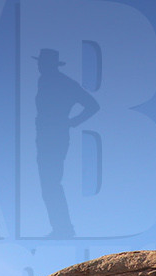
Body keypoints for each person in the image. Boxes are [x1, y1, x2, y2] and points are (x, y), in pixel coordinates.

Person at [33, 47, 99, 239]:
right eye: (39, 62)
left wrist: (72, 122)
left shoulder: (64, 83)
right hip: (45, 136)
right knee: (48, 183)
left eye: (42, 63)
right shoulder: (43, 81)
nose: (40, 66)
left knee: (51, 182)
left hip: (55, 136)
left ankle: (63, 229)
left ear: (49, 64)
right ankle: (60, 228)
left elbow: (93, 105)